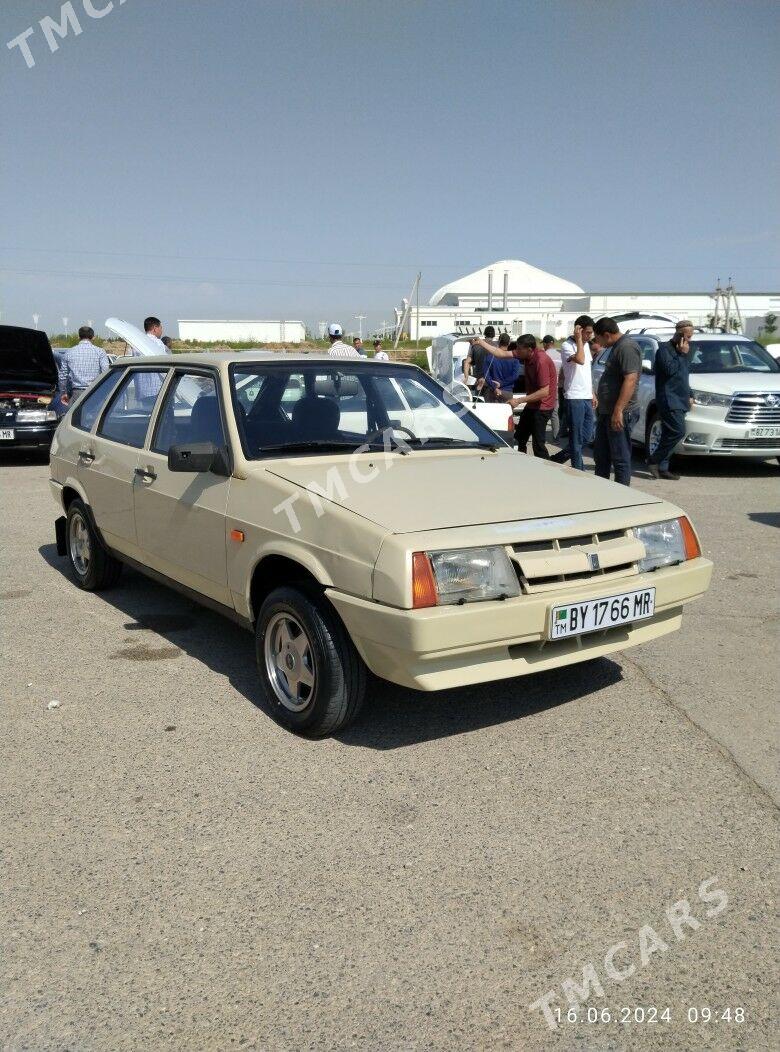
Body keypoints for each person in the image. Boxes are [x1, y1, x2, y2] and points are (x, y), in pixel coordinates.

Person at [475, 333, 557, 457]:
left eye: (519, 349)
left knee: (538, 444)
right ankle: (521, 464)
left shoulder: (541, 360)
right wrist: (481, 342)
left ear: (529, 349)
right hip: (532, 405)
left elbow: (544, 392)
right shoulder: (525, 353)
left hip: (543, 407)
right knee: (519, 438)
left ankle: (547, 470)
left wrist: (518, 401)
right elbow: (500, 353)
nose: (516, 351)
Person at [592, 317, 641, 486]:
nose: (595, 342)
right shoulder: (616, 347)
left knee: (620, 459)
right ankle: (602, 493)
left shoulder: (626, 347)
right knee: (601, 457)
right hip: (607, 412)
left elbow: (631, 379)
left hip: (620, 413)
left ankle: (621, 497)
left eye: (597, 338)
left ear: (606, 335)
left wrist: (618, 410)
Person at [648, 320, 694, 480]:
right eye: (688, 336)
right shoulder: (664, 350)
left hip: (681, 398)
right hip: (668, 398)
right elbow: (670, 370)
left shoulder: (685, 351)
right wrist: (681, 354)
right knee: (678, 431)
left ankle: (663, 467)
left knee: (669, 433)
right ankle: (653, 460)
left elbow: (684, 375)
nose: (690, 339)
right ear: (680, 335)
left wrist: (691, 394)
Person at [551, 315, 596, 471]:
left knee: (587, 435)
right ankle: (579, 470)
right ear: (579, 330)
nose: (590, 336)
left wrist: (592, 392)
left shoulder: (586, 345)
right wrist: (578, 340)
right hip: (574, 397)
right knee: (576, 438)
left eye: (591, 333)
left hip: (586, 396)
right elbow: (580, 360)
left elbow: (586, 371)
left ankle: (558, 458)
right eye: (587, 332)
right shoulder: (567, 345)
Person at [59, 326, 110, 406]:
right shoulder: (100, 352)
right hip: (95, 392)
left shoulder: (69, 352)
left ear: (78, 337)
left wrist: (63, 392)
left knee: (76, 417)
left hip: (76, 393)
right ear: (93, 337)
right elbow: (106, 372)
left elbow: (63, 376)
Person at [131, 316, 171, 406]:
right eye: (160, 328)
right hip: (158, 389)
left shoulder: (136, 343)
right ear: (154, 328)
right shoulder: (158, 343)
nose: (161, 331)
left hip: (143, 390)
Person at [483, 333, 521, 401]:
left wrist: (495, 387)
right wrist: (501, 384)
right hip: (507, 392)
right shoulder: (514, 359)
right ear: (509, 343)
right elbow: (515, 376)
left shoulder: (489, 357)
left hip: (492, 392)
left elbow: (486, 376)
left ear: (498, 341)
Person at [464, 325, 496, 392]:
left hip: (478, 381)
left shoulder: (475, 346)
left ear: (484, 334)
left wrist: (466, 377)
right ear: (494, 335)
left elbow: (467, 362)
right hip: (492, 381)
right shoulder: (496, 346)